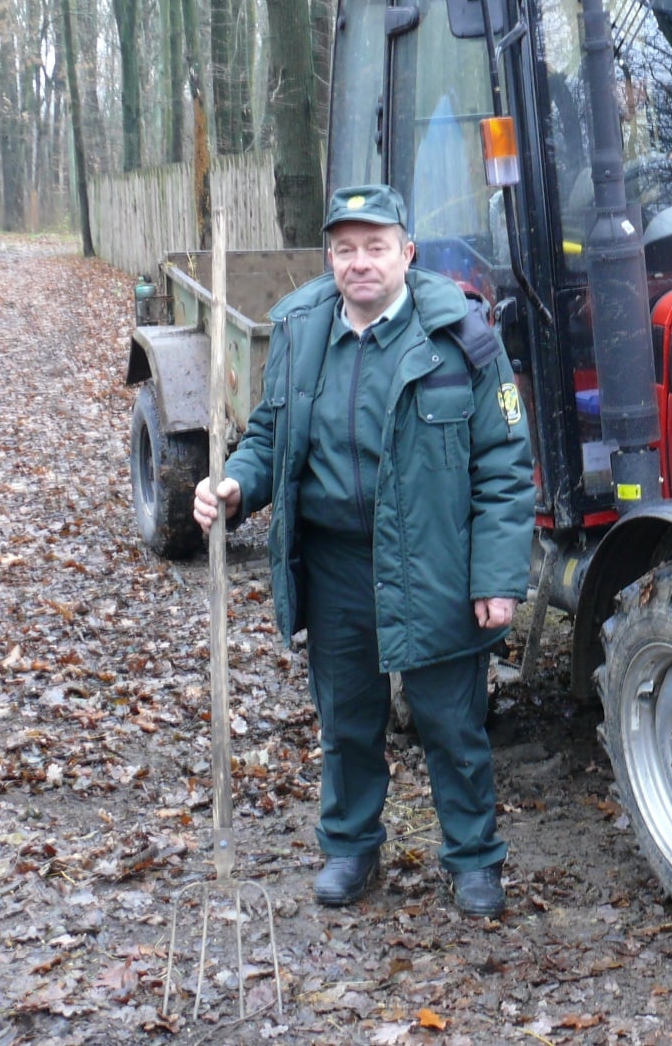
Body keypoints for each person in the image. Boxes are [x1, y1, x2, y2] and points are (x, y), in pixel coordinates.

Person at [193, 184, 535, 916]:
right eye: (345, 249)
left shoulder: (462, 339)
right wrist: (233, 487)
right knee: (347, 722)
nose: (360, 263)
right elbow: (267, 437)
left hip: (435, 563)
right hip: (337, 566)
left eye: (375, 246)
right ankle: (350, 849)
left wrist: (497, 576)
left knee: (453, 723)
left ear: (406, 252)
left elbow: (505, 466)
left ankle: (473, 860)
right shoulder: (298, 330)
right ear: (330, 258)